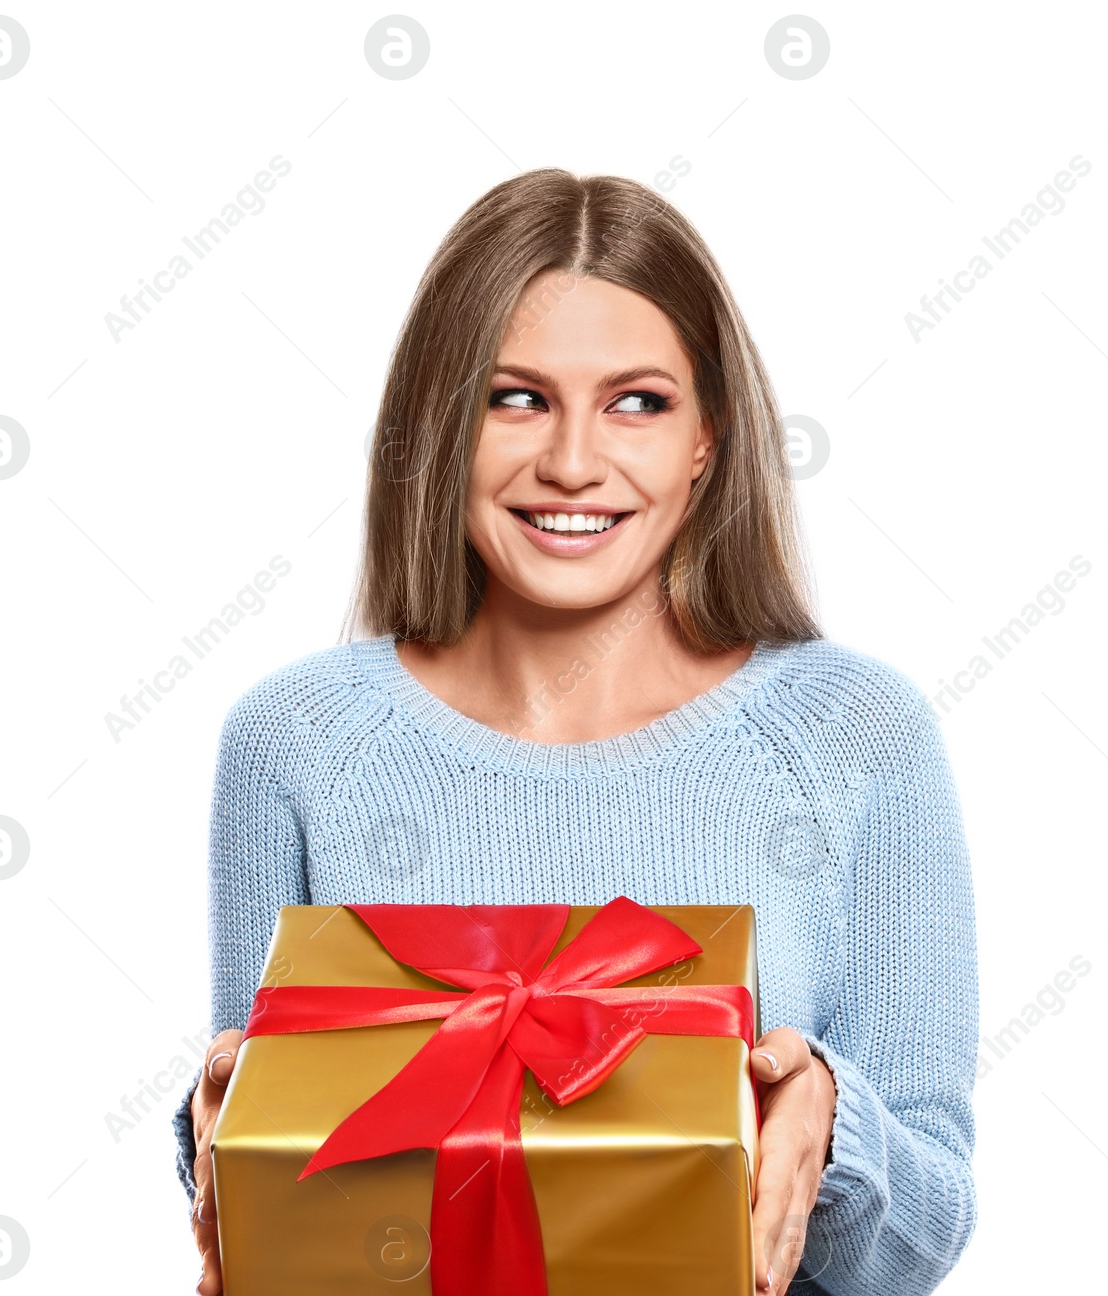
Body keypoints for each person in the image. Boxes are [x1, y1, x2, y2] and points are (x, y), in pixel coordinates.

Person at [174, 167, 978, 1295]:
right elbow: (281, 1169)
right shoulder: (296, 744)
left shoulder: (854, 736)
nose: (571, 463)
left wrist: (829, 1128)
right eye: (516, 398)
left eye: (637, 402)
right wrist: (215, 1136)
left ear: (708, 439)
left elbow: (926, 1233)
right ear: (441, 428)